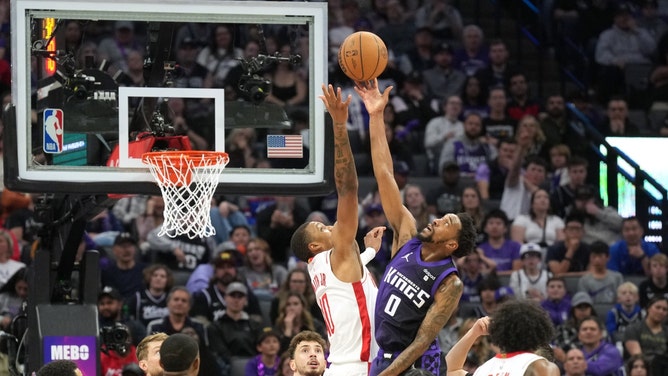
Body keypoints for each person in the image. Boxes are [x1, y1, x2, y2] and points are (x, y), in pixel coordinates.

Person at [357, 79, 477, 376]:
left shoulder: (450, 282)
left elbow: (423, 340)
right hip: (384, 355)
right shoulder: (408, 235)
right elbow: (385, 173)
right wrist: (375, 116)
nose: (437, 219)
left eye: (447, 222)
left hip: (417, 364)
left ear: (452, 245)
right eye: (442, 216)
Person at [290, 84, 382, 376]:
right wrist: (339, 126)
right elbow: (348, 189)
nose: (330, 225)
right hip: (361, 367)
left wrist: (368, 252)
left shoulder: (319, 266)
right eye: (321, 227)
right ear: (314, 246)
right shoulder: (337, 254)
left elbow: (348, 279)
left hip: (344, 366)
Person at [445, 300, 559, 376]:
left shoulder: (484, 369)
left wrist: (474, 332)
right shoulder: (540, 366)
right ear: (539, 333)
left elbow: (452, 369)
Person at [623, 296, 668, 362]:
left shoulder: (666, 331)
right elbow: (637, 356)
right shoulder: (633, 329)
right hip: (641, 367)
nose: (661, 311)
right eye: (657, 307)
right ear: (648, 309)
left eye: (665, 309)